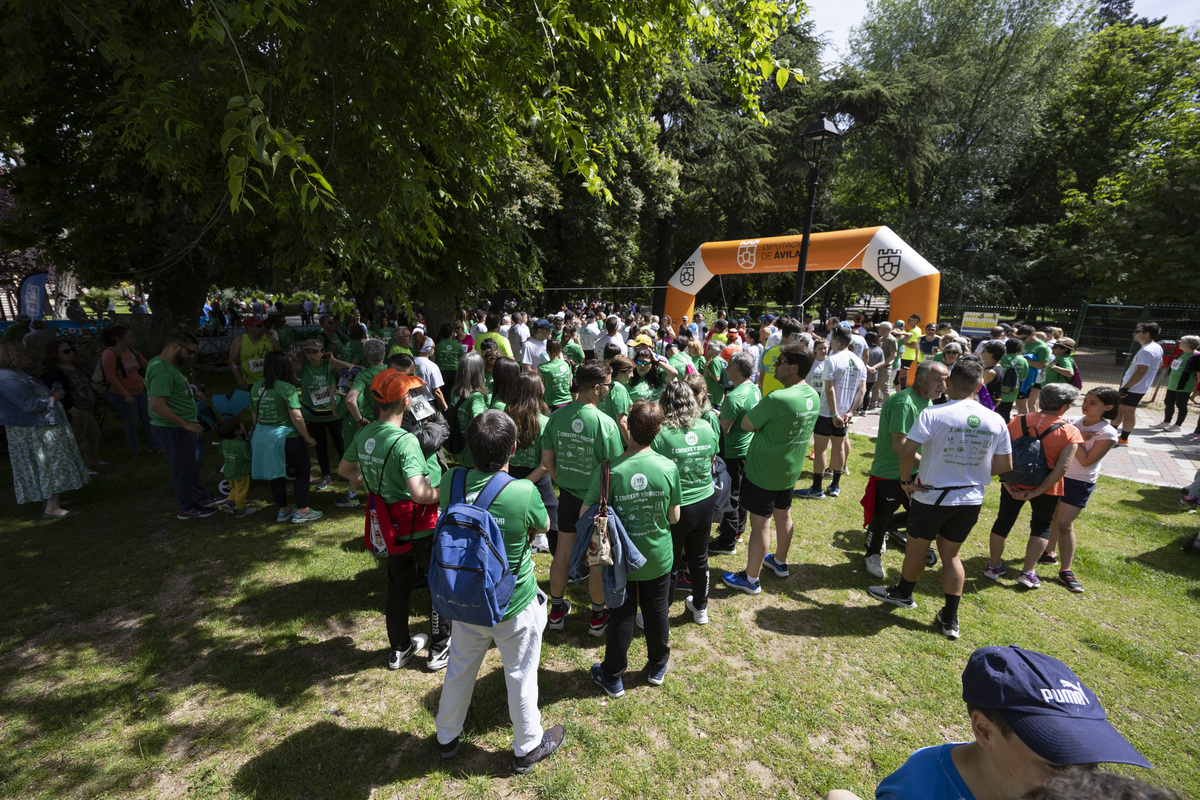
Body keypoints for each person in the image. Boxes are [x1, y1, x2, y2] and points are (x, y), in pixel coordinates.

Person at [433, 410, 563, 771]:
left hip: (464, 598)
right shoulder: (523, 491)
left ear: (469, 448)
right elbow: (544, 524)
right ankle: (528, 745)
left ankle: (446, 736)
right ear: (515, 448)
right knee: (520, 672)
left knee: (459, 666)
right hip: (511, 603)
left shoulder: (450, 481)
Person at [870, 645, 1151, 799]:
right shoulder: (918, 790)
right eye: (1057, 764)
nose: (1083, 784)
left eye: (1091, 763)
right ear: (983, 730)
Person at [868, 360, 1012, 639]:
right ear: (980, 385)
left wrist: (906, 482)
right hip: (970, 499)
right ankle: (950, 618)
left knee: (917, 549)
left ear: (950, 383)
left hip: (932, 496)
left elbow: (907, 450)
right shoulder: (996, 419)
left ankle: (903, 594)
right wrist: (971, 474)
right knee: (952, 555)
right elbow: (1005, 463)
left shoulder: (934, 413)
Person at [339, 370, 449, 670]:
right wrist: (445, 491)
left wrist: (372, 483)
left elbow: (344, 469)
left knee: (398, 585)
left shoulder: (364, 433)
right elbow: (420, 494)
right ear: (405, 401)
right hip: (418, 525)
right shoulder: (405, 441)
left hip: (388, 526)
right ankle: (440, 648)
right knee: (437, 583)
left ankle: (400, 647)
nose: (412, 398)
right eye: (410, 394)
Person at [589, 400, 682, 697]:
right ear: (658, 431)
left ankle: (613, 675)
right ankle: (657, 666)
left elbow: (584, 515)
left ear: (627, 425)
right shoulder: (668, 467)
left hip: (620, 561)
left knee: (621, 616)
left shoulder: (608, 471)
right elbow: (674, 516)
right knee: (657, 614)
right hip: (658, 556)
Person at [722, 343, 820, 595]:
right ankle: (780, 561)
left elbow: (746, 423)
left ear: (794, 367)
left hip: (764, 471)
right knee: (784, 515)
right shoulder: (812, 395)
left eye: (780, 361)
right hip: (790, 469)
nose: (774, 365)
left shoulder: (777, 398)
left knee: (760, 524)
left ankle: (751, 578)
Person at [540, 359, 624, 634]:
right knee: (597, 557)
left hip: (567, 496)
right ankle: (598, 617)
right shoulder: (605, 423)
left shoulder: (557, 416)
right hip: (597, 501)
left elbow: (547, 460)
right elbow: (614, 469)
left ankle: (556, 611)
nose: (611, 390)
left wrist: (561, 480)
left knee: (562, 550)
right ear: (597, 388)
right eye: (609, 386)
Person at [985, 383, 1083, 589]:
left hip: (1013, 481)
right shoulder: (1069, 431)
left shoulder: (1017, 420)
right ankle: (1028, 572)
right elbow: (1061, 469)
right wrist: (1038, 491)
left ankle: (993, 566)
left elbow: (1000, 452)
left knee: (1003, 521)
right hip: (1047, 487)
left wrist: (1007, 482)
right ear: (1064, 407)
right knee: (1041, 527)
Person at [861, 361, 950, 579]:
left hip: (915, 471)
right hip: (890, 472)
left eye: (946, 379)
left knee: (919, 513)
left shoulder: (928, 400)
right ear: (920, 379)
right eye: (938, 380)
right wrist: (931, 465)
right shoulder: (904, 402)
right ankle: (872, 553)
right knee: (881, 517)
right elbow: (900, 446)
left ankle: (892, 531)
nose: (944, 385)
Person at [650, 381, 719, 624]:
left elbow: (655, 471)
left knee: (671, 562)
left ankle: (661, 613)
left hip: (676, 506)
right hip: (705, 500)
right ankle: (700, 608)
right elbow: (711, 459)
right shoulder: (707, 427)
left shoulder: (661, 433)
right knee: (699, 558)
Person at [0, 341, 88, 518]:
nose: (27, 355)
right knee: (49, 465)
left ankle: (50, 501)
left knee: (43, 465)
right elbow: (29, 405)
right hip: (36, 428)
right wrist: (53, 398)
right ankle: (51, 507)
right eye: (22, 352)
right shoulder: (9, 378)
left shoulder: (12, 374)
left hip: (35, 426)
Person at [146, 332, 223, 520]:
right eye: (190, 352)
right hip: (173, 429)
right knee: (183, 469)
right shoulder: (163, 370)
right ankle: (188, 507)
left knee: (192, 464)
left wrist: (192, 392)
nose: (192, 356)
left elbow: (172, 391)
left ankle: (202, 497)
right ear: (175, 347)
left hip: (179, 428)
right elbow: (156, 405)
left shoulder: (167, 366)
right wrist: (186, 424)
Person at [250, 350, 322, 524]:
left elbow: (254, 414)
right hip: (287, 436)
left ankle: (283, 510)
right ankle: (302, 511)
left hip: (264, 436)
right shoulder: (286, 388)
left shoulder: (256, 386)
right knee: (302, 472)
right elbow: (296, 417)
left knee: (275, 475)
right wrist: (308, 437)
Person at [796, 327, 865, 500]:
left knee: (820, 449)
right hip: (845, 414)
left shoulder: (832, 360)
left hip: (827, 413)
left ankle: (817, 489)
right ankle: (835, 486)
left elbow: (829, 389)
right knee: (839, 447)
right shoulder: (859, 361)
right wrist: (849, 412)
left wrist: (834, 414)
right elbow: (861, 390)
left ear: (835, 339)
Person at [710, 352, 761, 556]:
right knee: (740, 494)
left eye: (728, 365)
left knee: (730, 496)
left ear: (736, 369)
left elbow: (724, 429)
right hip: (746, 450)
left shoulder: (733, 396)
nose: (725, 368)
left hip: (732, 453)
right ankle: (738, 531)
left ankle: (727, 541)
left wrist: (713, 418)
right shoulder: (753, 389)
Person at [505, 372, 557, 554]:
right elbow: (545, 464)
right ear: (539, 392)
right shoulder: (546, 422)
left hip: (509, 475)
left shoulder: (505, 417)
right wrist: (526, 484)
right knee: (554, 519)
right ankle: (559, 554)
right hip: (537, 477)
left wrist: (517, 485)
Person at [293, 339, 355, 492]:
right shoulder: (303, 366)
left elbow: (355, 369)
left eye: (315, 352)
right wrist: (294, 357)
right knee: (320, 446)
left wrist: (335, 360)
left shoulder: (329, 365)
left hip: (333, 413)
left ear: (322, 353)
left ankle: (346, 471)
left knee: (340, 444)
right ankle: (326, 475)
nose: (311, 356)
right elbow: (283, 367)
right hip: (313, 415)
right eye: (308, 352)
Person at [39, 339, 104, 472]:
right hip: (75, 409)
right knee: (77, 438)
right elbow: (52, 392)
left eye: (72, 350)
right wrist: (69, 407)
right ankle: (79, 467)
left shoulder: (75, 367)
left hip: (87, 407)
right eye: (66, 351)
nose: (71, 353)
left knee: (93, 434)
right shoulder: (54, 372)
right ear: (54, 354)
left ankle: (93, 460)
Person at [99, 325, 160, 456]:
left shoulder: (133, 351)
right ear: (119, 338)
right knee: (131, 423)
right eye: (129, 336)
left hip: (140, 390)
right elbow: (111, 377)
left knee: (149, 419)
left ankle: (154, 447)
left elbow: (147, 365)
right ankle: (136, 451)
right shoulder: (110, 354)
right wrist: (125, 395)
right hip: (121, 394)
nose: (133, 339)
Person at [1114, 322, 1163, 448]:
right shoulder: (1156, 347)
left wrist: (1126, 388)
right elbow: (1160, 364)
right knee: (1119, 409)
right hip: (1137, 386)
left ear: (1147, 334)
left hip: (1134, 387)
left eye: (1137, 331)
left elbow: (1141, 371)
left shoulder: (1146, 350)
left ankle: (1123, 439)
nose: (1133, 333)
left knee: (1128, 412)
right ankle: (1112, 434)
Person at [1155, 335, 1200, 433]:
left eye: (1182, 342)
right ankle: (1166, 421)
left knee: (1181, 404)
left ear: (1188, 344)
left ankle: (1178, 425)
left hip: (1184, 386)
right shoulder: (1182, 354)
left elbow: (1198, 373)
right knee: (1168, 402)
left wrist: (1197, 387)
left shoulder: (1196, 356)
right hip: (1173, 384)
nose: (1180, 344)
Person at [216, 417, 258, 518]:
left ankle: (230, 503)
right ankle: (241, 510)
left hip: (229, 471)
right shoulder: (242, 445)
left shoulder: (224, 442)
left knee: (234, 488)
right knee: (241, 492)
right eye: (241, 425)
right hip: (240, 473)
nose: (243, 425)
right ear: (236, 431)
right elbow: (250, 456)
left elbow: (222, 452)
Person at [757, 317, 804, 397]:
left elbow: (761, 379)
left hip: (767, 399)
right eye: (799, 336)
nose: (800, 339)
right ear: (792, 335)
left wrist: (762, 397)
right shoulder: (796, 354)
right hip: (786, 401)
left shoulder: (767, 351)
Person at [229, 315, 278, 391]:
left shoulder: (270, 338)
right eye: (259, 325)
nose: (263, 327)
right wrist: (239, 378)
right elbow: (232, 361)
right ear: (249, 327)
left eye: (264, 325)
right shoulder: (239, 340)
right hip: (249, 382)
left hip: (269, 380)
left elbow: (280, 356)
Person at [598, 354, 635, 445]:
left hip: (603, 436)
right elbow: (622, 421)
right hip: (618, 441)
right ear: (620, 373)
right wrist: (631, 446)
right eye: (630, 372)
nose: (632, 375)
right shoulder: (619, 389)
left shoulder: (605, 384)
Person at [537, 339, 573, 410]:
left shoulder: (543, 368)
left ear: (547, 351)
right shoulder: (567, 364)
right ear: (560, 350)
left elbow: (541, 389)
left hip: (552, 405)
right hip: (568, 402)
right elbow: (570, 384)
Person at [434, 322, 465, 392]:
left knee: (444, 393)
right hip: (455, 372)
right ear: (452, 333)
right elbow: (462, 361)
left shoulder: (438, 346)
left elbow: (433, 361)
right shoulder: (458, 345)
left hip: (442, 373)